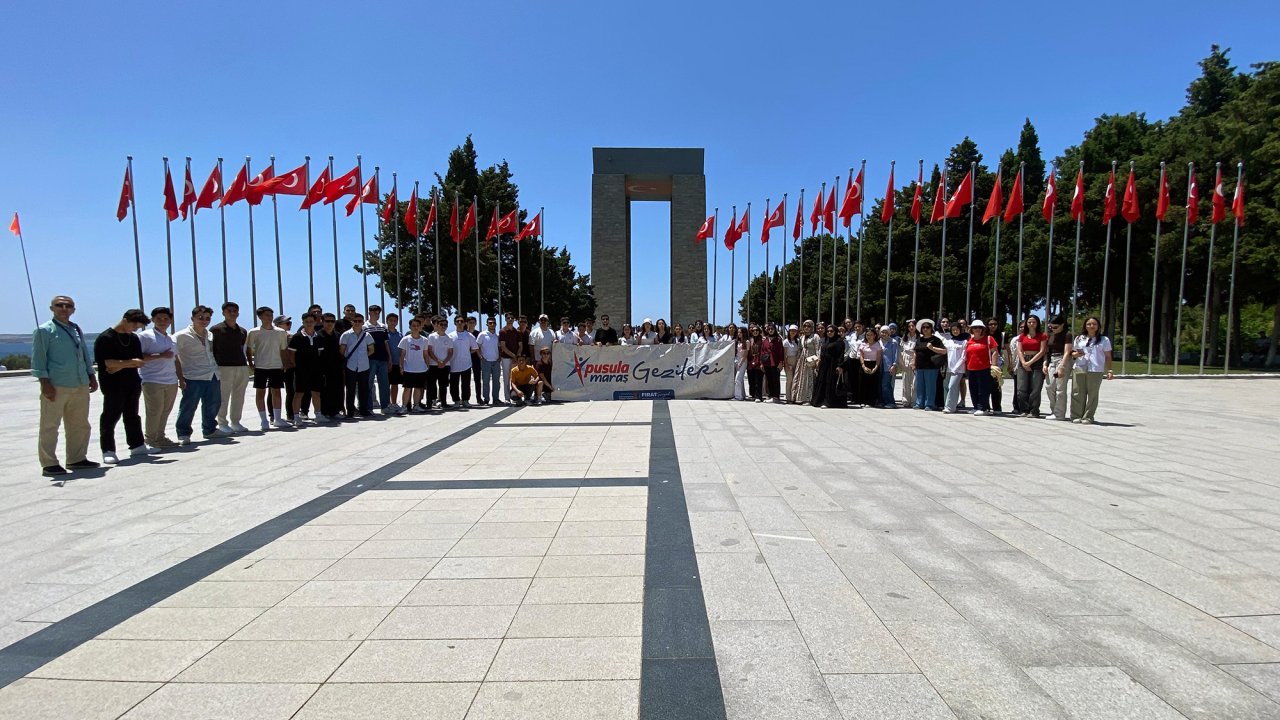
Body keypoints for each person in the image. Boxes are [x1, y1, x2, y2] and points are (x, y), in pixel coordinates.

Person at [92, 309, 152, 464]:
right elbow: (108, 364)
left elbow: (139, 361)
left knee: (132, 415)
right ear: (125, 320)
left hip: (132, 381)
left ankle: (137, 445)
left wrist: (122, 364)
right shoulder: (106, 338)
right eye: (134, 325)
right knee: (111, 416)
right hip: (112, 383)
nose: (135, 329)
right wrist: (129, 363)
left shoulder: (133, 338)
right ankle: (108, 450)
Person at [173, 305, 224, 444]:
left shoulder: (210, 335)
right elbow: (174, 356)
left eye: (207, 318)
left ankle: (210, 430)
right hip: (192, 376)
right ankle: (183, 433)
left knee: (213, 404)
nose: (204, 321)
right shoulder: (181, 336)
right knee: (188, 406)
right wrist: (180, 377)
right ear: (193, 318)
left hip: (212, 374)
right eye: (200, 318)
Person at [136, 306, 180, 450]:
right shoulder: (145, 336)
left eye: (166, 319)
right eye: (159, 318)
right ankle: (150, 439)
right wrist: (160, 355)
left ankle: (160, 437)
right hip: (152, 379)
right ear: (153, 320)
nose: (162, 321)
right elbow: (138, 357)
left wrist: (181, 378)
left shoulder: (172, 338)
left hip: (171, 380)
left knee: (165, 410)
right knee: (154, 410)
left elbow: (176, 359)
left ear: (170, 321)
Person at [245, 307, 290, 431]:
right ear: (260, 317)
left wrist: (285, 363)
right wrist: (250, 363)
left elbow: (283, 349)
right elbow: (249, 348)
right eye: (266, 315)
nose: (269, 317)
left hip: (276, 365)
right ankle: (263, 420)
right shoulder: (253, 332)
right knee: (260, 392)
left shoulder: (281, 332)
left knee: (276, 391)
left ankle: (277, 418)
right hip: (261, 366)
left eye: (271, 315)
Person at [210, 302, 249, 434]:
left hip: (241, 366)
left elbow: (242, 347)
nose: (232, 313)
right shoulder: (216, 329)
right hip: (223, 366)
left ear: (238, 313)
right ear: (223, 313)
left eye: (234, 311)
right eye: (229, 311)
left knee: (239, 396)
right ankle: (222, 423)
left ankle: (236, 422)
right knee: (223, 396)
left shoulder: (242, 331)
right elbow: (211, 348)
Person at [1070, 316, 1114, 424]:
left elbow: (1108, 356)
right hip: (1080, 367)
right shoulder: (1079, 338)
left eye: (1094, 324)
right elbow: (1073, 353)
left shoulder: (1104, 340)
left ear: (1098, 326)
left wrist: (1109, 370)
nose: (1091, 326)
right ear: (1085, 326)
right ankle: (1076, 415)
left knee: (1092, 394)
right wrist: (1076, 354)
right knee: (1077, 392)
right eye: (1089, 324)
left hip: (1095, 369)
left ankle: (1088, 416)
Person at [287, 313, 324, 424]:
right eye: (306, 321)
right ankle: (296, 417)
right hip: (301, 370)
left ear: (315, 322)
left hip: (315, 370)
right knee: (299, 393)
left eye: (311, 321)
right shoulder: (297, 337)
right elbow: (291, 353)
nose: (309, 324)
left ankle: (318, 415)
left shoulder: (318, 337)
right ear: (303, 322)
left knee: (316, 393)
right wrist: (296, 365)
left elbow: (320, 353)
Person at [338, 313, 375, 418]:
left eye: (360, 321)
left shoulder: (367, 335)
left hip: (364, 365)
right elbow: (342, 350)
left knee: (364, 389)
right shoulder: (346, 335)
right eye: (355, 321)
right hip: (350, 365)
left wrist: (364, 357)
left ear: (363, 322)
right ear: (352, 322)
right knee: (350, 390)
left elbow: (371, 349)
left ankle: (363, 410)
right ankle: (350, 411)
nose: (357, 323)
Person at [1014, 315, 1048, 418]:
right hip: (1024, 360)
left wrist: (1030, 362)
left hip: (1037, 361)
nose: (1031, 324)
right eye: (1029, 322)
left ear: (1037, 323)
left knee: (1035, 387)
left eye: (1034, 322)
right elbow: (1019, 350)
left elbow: (1042, 351)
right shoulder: (1022, 336)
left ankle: (1034, 410)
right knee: (1021, 388)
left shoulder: (1042, 335)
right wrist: (1024, 362)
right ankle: (1024, 409)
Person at [964, 319, 999, 416]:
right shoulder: (969, 340)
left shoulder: (989, 339)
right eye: (975, 327)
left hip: (984, 368)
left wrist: (994, 365)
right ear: (971, 329)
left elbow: (995, 351)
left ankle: (983, 408)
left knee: (983, 389)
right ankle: (976, 406)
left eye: (979, 327)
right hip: (971, 368)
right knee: (973, 389)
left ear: (983, 329)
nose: (977, 329)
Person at [397, 317, 429, 413]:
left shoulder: (424, 340)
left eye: (417, 326)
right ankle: (404, 407)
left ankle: (416, 406)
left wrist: (427, 365)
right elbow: (402, 354)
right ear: (410, 327)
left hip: (421, 368)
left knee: (418, 388)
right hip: (408, 368)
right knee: (407, 389)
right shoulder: (405, 339)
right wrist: (401, 366)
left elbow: (425, 354)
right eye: (413, 326)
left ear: (420, 327)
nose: (415, 327)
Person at [811, 324, 847, 408]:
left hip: (833, 365)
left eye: (831, 331)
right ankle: (820, 401)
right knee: (822, 382)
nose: (829, 333)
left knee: (830, 383)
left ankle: (828, 402)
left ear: (835, 332)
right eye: (828, 331)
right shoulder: (827, 341)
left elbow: (841, 355)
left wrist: (840, 366)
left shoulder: (839, 342)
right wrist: (819, 362)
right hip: (824, 365)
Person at [912, 319, 946, 410]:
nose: (925, 329)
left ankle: (929, 404)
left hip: (931, 367)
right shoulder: (919, 339)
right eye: (923, 327)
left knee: (930, 387)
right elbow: (915, 352)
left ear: (931, 329)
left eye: (927, 327)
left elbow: (944, 351)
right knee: (920, 386)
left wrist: (932, 348)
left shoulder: (936, 339)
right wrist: (913, 363)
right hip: (920, 366)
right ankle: (919, 403)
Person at [1044, 315, 1073, 421]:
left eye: (1056, 327)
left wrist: (1062, 366)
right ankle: (1053, 410)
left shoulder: (1067, 334)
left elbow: (1067, 351)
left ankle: (1059, 414)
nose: (1053, 329)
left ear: (1062, 325)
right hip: (1051, 360)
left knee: (1060, 388)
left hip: (1062, 359)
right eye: (1051, 327)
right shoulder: (1050, 335)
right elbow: (1047, 351)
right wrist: (1045, 363)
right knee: (1049, 386)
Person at [365, 305, 392, 414]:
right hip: (370, 359)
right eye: (374, 312)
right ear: (369, 313)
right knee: (369, 384)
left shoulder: (383, 326)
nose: (376, 315)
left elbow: (386, 343)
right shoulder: (364, 327)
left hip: (382, 358)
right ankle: (368, 407)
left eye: (378, 313)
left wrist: (389, 358)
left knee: (384, 384)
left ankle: (385, 406)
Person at [426, 316, 454, 410]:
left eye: (445, 325)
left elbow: (450, 352)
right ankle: (429, 403)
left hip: (445, 365)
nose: (443, 326)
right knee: (431, 385)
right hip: (433, 365)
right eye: (441, 324)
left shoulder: (449, 338)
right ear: (437, 325)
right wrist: (438, 361)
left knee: (443, 385)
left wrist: (444, 362)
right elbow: (429, 351)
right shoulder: (432, 336)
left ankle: (443, 402)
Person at [449, 315, 478, 408]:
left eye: (461, 321)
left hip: (466, 364)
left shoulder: (469, 335)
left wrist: (467, 353)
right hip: (453, 364)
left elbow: (475, 348)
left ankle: (465, 400)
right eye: (457, 321)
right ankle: (456, 401)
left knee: (466, 384)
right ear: (455, 323)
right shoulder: (450, 336)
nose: (460, 323)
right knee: (454, 384)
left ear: (465, 323)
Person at [942, 320, 969, 413]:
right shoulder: (948, 341)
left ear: (960, 330)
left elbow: (963, 357)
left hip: (958, 369)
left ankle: (950, 407)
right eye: (953, 330)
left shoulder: (964, 342)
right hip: (949, 368)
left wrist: (956, 368)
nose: (955, 331)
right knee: (946, 386)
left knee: (952, 386)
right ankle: (947, 404)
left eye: (957, 329)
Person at [853, 328, 882, 408]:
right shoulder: (863, 344)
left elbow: (878, 357)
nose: (869, 337)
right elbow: (861, 356)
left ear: (875, 335)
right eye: (867, 335)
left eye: (871, 335)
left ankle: (871, 401)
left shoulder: (877, 345)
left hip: (874, 364)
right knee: (862, 383)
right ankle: (862, 401)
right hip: (864, 364)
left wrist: (876, 367)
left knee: (872, 384)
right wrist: (863, 366)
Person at [476, 316, 501, 406]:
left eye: (494, 323)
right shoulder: (482, 335)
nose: (492, 324)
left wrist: (499, 357)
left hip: (496, 361)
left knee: (496, 382)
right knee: (486, 382)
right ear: (487, 324)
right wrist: (480, 357)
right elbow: (477, 347)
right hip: (486, 361)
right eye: (490, 323)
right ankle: (486, 399)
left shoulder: (497, 336)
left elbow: (499, 348)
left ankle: (496, 399)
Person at [498, 313, 522, 403]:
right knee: (506, 378)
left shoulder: (517, 332)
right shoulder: (502, 331)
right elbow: (503, 347)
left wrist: (517, 356)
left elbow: (520, 346)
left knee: (516, 379)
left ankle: (516, 397)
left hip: (516, 359)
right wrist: (513, 356)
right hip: (506, 358)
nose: (510, 319)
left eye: (512, 318)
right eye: (508, 318)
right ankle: (507, 398)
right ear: (506, 319)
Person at [985, 318, 1007, 413]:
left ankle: (997, 407)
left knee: (996, 385)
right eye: (990, 324)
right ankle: (986, 406)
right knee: (985, 385)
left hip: (997, 362)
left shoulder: (1002, 335)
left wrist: (1009, 363)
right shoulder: (984, 335)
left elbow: (1007, 349)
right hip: (985, 361)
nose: (993, 326)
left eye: (995, 324)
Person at [385, 312, 403, 414]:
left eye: (395, 321)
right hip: (386, 363)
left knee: (395, 384)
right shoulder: (384, 334)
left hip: (397, 362)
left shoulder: (400, 335)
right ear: (387, 321)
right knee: (386, 384)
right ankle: (386, 403)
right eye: (390, 320)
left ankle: (394, 402)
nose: (392, 322)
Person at [880, 324, 900, 408]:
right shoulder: (878, 342)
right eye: (882, 332)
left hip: (888, 367)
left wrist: (894, 365)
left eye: (886, 332)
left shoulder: (893, 342)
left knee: (886, 385)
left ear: (889, 333)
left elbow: (896, 354)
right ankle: (882, 401)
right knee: (881, 385)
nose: (884, 334)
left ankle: (891, 402)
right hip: (879, 366)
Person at [761, 323, 783, 402]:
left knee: (775, 380)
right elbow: (762, 351)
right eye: (769, 329)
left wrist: (781, 363)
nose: (770, 330)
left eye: (772, 329)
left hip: (775, 363)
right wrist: (761, 363)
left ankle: (776, 396)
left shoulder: (778, 339)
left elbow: (781, 352)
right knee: (769, 380)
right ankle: (770, 395)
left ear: (775, 330)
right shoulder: (765, 340)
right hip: (767, 363)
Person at [899, 320, 918, 407]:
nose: (911, 328)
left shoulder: (919, 337)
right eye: (909, 326)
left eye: (913, 326)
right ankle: (906, 400)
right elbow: (901, 349)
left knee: (915, 382)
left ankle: (914, 401)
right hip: (905, 358)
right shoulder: (904, 337)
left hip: (915, 358)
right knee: (905, 381)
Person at [782, 325, 802, 403]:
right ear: (789, 331)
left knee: (795, 380)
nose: (793, 332)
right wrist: (786, 364)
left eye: (795, 331)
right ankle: (788, 397)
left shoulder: (798, 341)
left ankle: (794, 397)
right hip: (789, 360)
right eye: (791, 330)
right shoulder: (786, 341)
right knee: (789, 380)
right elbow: (784, 355)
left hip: (796, 360)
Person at [745, 325, 765, 402]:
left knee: (758, 380)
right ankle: (753, 395)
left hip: (759, 363)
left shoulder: (762, 340)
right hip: (750, 362)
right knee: (751, 380)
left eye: (757, 330)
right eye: (753, 330)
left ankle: (758, 396)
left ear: (759, 331)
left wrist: (762, 362)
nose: (755, 332)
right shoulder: (750, 340)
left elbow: (764, 352)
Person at [733, 327, 749, 401]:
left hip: (743, 361)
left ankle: (738, 396)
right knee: (740, 380)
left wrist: (740, 363)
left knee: (737, 379)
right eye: (738, 332)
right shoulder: (737, 341)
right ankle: (742, 395)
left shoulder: (747, 342)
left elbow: (745, 354)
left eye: (741, 332)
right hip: (736, 359)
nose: (739, 334)